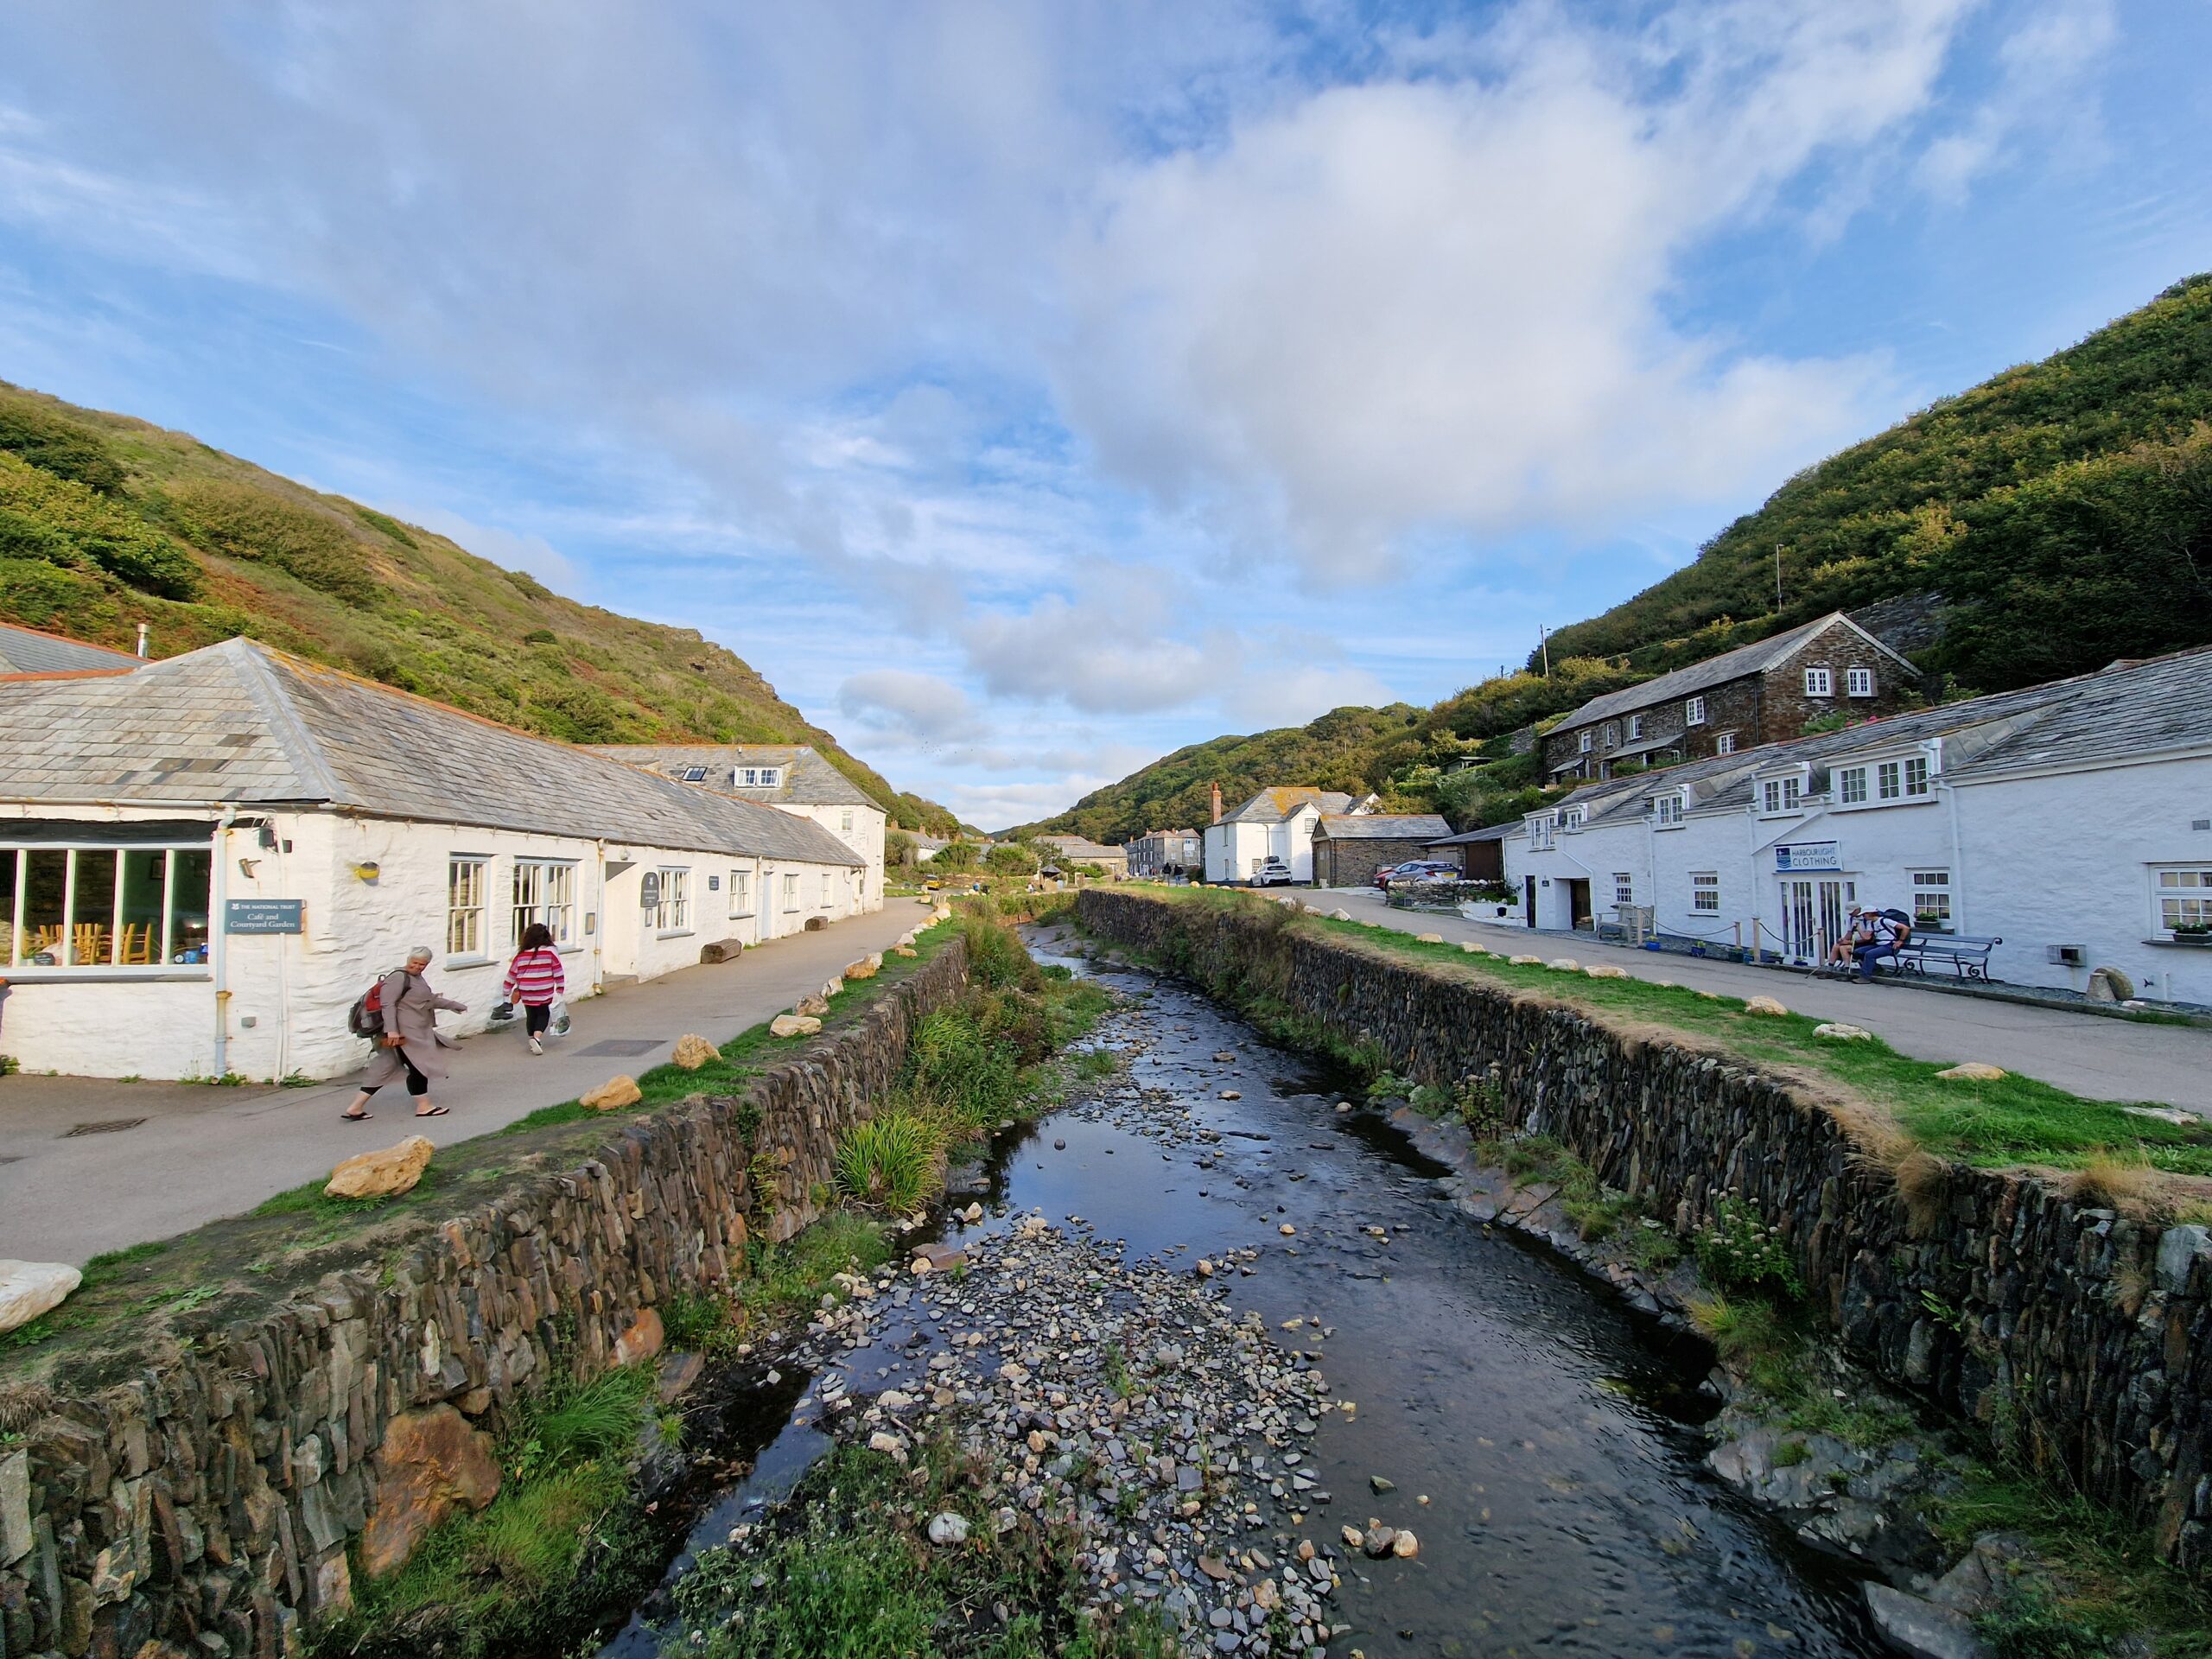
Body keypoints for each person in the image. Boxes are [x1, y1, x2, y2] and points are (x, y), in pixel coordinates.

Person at [342, 945, 466, 1120]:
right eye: (414, 962)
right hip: (403, 1034)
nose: (417, 967)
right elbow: (387, 1005)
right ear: (408, 959)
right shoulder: (398, 977)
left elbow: (427, 1000)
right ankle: (424, 1106)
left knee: (385, 1067)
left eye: (422, 964)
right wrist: (392, 1031)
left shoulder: (417, 979)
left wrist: (453, 1005)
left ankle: (355, 1107)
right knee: (419, 1066)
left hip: (413, 1031)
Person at [502, 922, 566, 1056]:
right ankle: (536, 1038)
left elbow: (511, 974)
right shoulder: (550, 952)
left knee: (531, 1015)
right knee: (543, 1014)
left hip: (526, 990)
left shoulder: (521, 955)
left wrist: (506, 992)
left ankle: (532, 1038)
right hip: (544, 989)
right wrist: (560, 988)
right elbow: (558, 971)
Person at [1855, 906, 1914, 982]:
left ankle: (1865, 977)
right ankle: (1877, 969)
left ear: (1870, 913)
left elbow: (1906, 928)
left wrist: (1900, 941)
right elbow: (1866, 937)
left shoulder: (1885, 921)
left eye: (1864, 914)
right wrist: (1859, 929)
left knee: (1870, 954)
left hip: (1890, 946)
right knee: (1858, 952)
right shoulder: (1872, 923)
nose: (1863, 916)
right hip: (1878, 944)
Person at [1821, 906, 1874, 975]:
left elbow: (1867, 938)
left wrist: (1851, 941)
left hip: (1865, 943)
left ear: (1858, 910)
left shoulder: (1867, 920)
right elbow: (1849, 932)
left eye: (1852, 912)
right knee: (1836, 946)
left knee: (1843, 948)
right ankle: (1829, 970)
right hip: (1854, 942)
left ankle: (1848, 971)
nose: (1850, 914)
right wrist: (1844, 940)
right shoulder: (1851, 918)